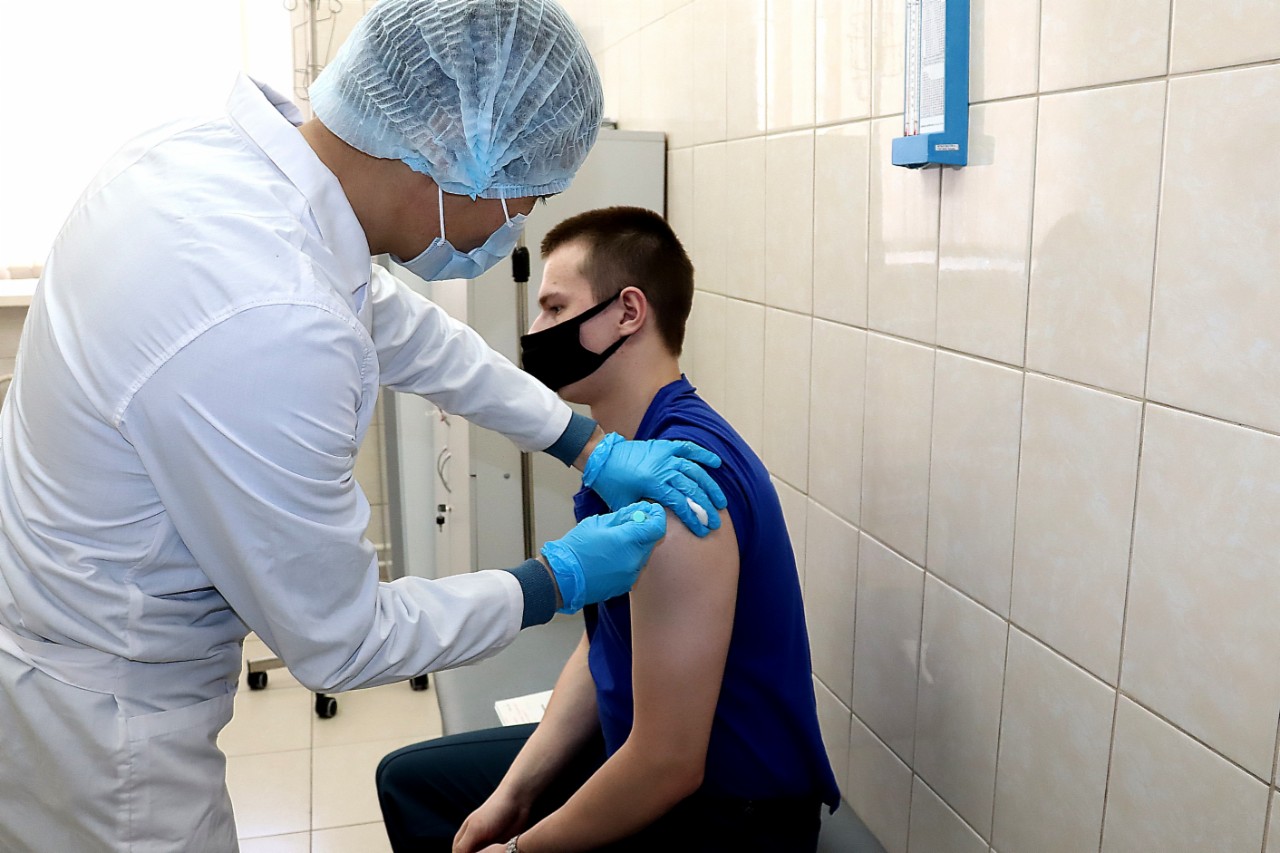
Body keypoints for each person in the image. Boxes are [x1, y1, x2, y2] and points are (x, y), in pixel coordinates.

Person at [0, 3, 729, 851]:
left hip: (59, 637)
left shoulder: (218, 168)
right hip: (106, 731)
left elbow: (403, 328)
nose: (516, 227)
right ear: (458, 155)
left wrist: (585, 443)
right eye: (525, 197)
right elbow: (341, 640)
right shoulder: (269, 316)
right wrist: (553, 580)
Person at [376, 207, 841, 853]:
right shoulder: (633, 454)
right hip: (644, 754)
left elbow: (668, 765)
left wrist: (518, 851)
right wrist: (512, 798)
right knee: (411, 782)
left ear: (628, 312)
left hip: (726, 813)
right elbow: (607, 646)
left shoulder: (679, 485)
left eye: (554, 307)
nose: (534, 331)